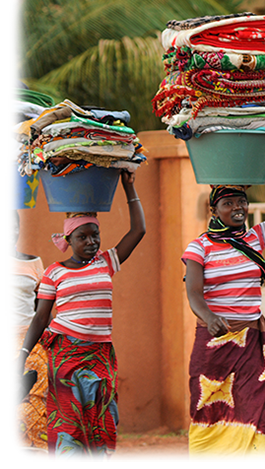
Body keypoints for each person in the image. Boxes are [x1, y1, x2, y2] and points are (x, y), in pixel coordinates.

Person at [182, 134, 265, 462]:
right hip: (214, 346)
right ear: (214, 209)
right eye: (228, 203)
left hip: (252, 346)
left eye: (241, 202)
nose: (238, 208)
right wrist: (209, 319)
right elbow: (193, 293)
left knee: (258, 413)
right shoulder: (200, 246)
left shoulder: (254, 238)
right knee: (211, 415)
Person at [9, 171, 145, 462]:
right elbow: (41, 318)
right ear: (68, 239)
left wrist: (128, 186)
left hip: (101, 357)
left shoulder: (106, 262)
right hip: (66, 356)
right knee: (69, 424)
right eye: (82, 237)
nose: (91, 242)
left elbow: (138, 231)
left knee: (102, 421)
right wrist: (22, 357)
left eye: (94, 235)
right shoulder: (54, 272)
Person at [5, 210, 47, 461]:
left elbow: (40, 310)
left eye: (13, 227)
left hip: (27, 342)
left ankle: (21, 460)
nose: (9, 232)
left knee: (33, 401)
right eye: (4, 228)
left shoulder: (34, 263)